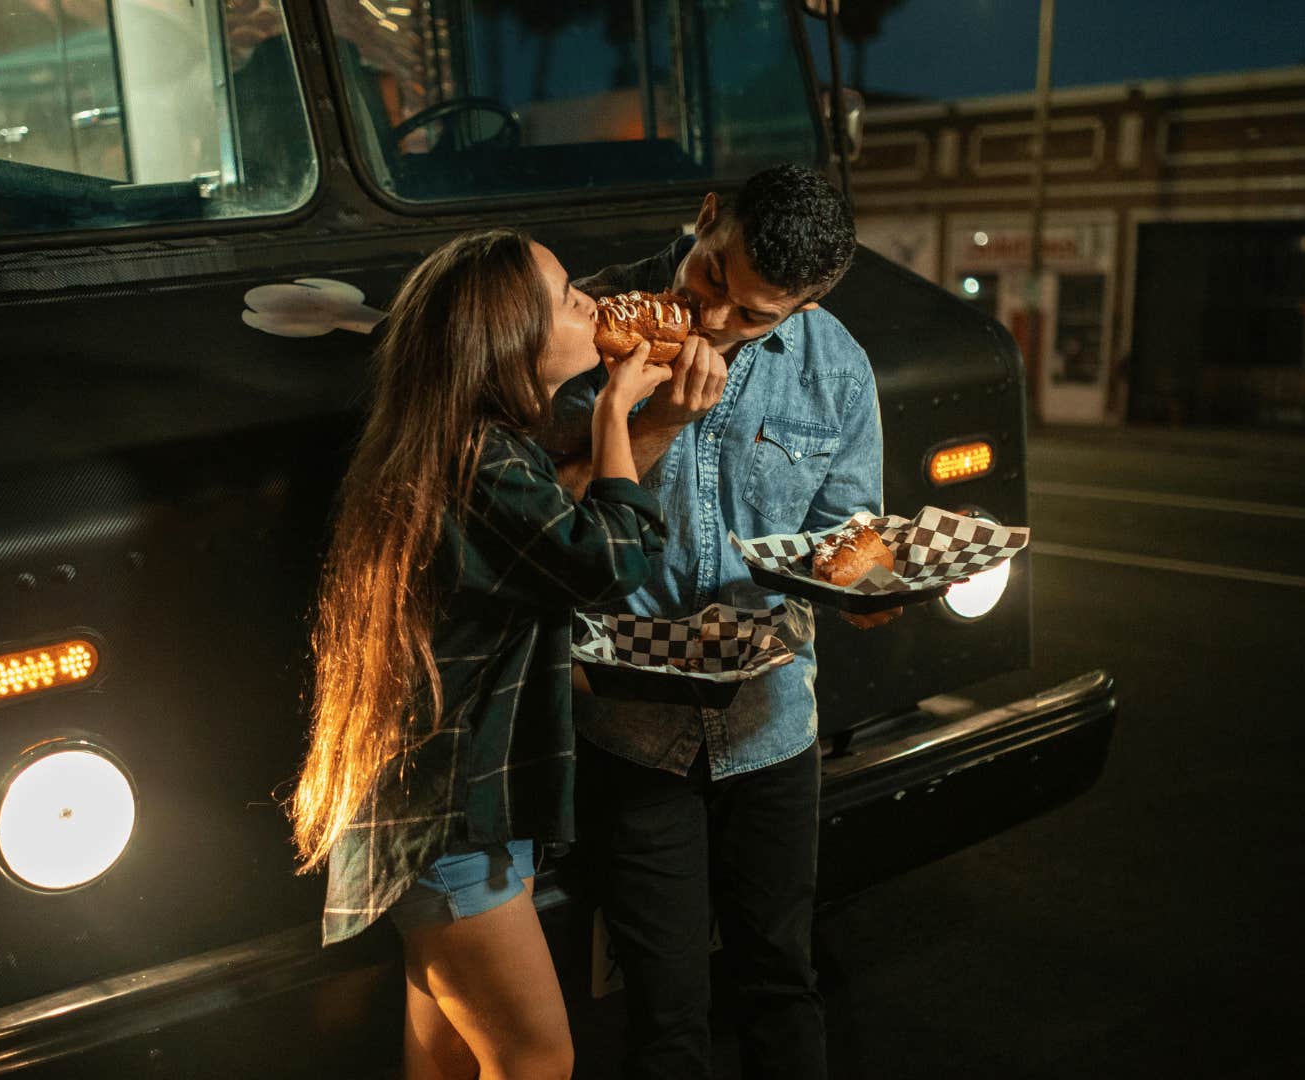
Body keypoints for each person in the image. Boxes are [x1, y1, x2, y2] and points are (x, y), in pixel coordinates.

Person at [288, 229, 671, 1080]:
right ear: (512, 340)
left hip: (448, 808)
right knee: (536, 1058)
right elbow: (610, 562)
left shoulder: (463, 441)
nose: (595, 307)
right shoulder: (478, 459)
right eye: (571, 298)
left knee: (449, 1059)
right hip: (447, 818)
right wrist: (617, 410)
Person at [546, 164, 885, 1079]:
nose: (717, 322)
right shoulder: (591, 328)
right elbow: (546, 529)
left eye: (757, 316)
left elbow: (844, 544)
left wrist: (871, 592)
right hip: (631, 724)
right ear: (705, 217)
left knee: (779, 980)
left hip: (770, 723)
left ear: (807, 305)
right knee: (665, 1011)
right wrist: (649, 423)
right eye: (711, 281)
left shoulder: (838, 370)